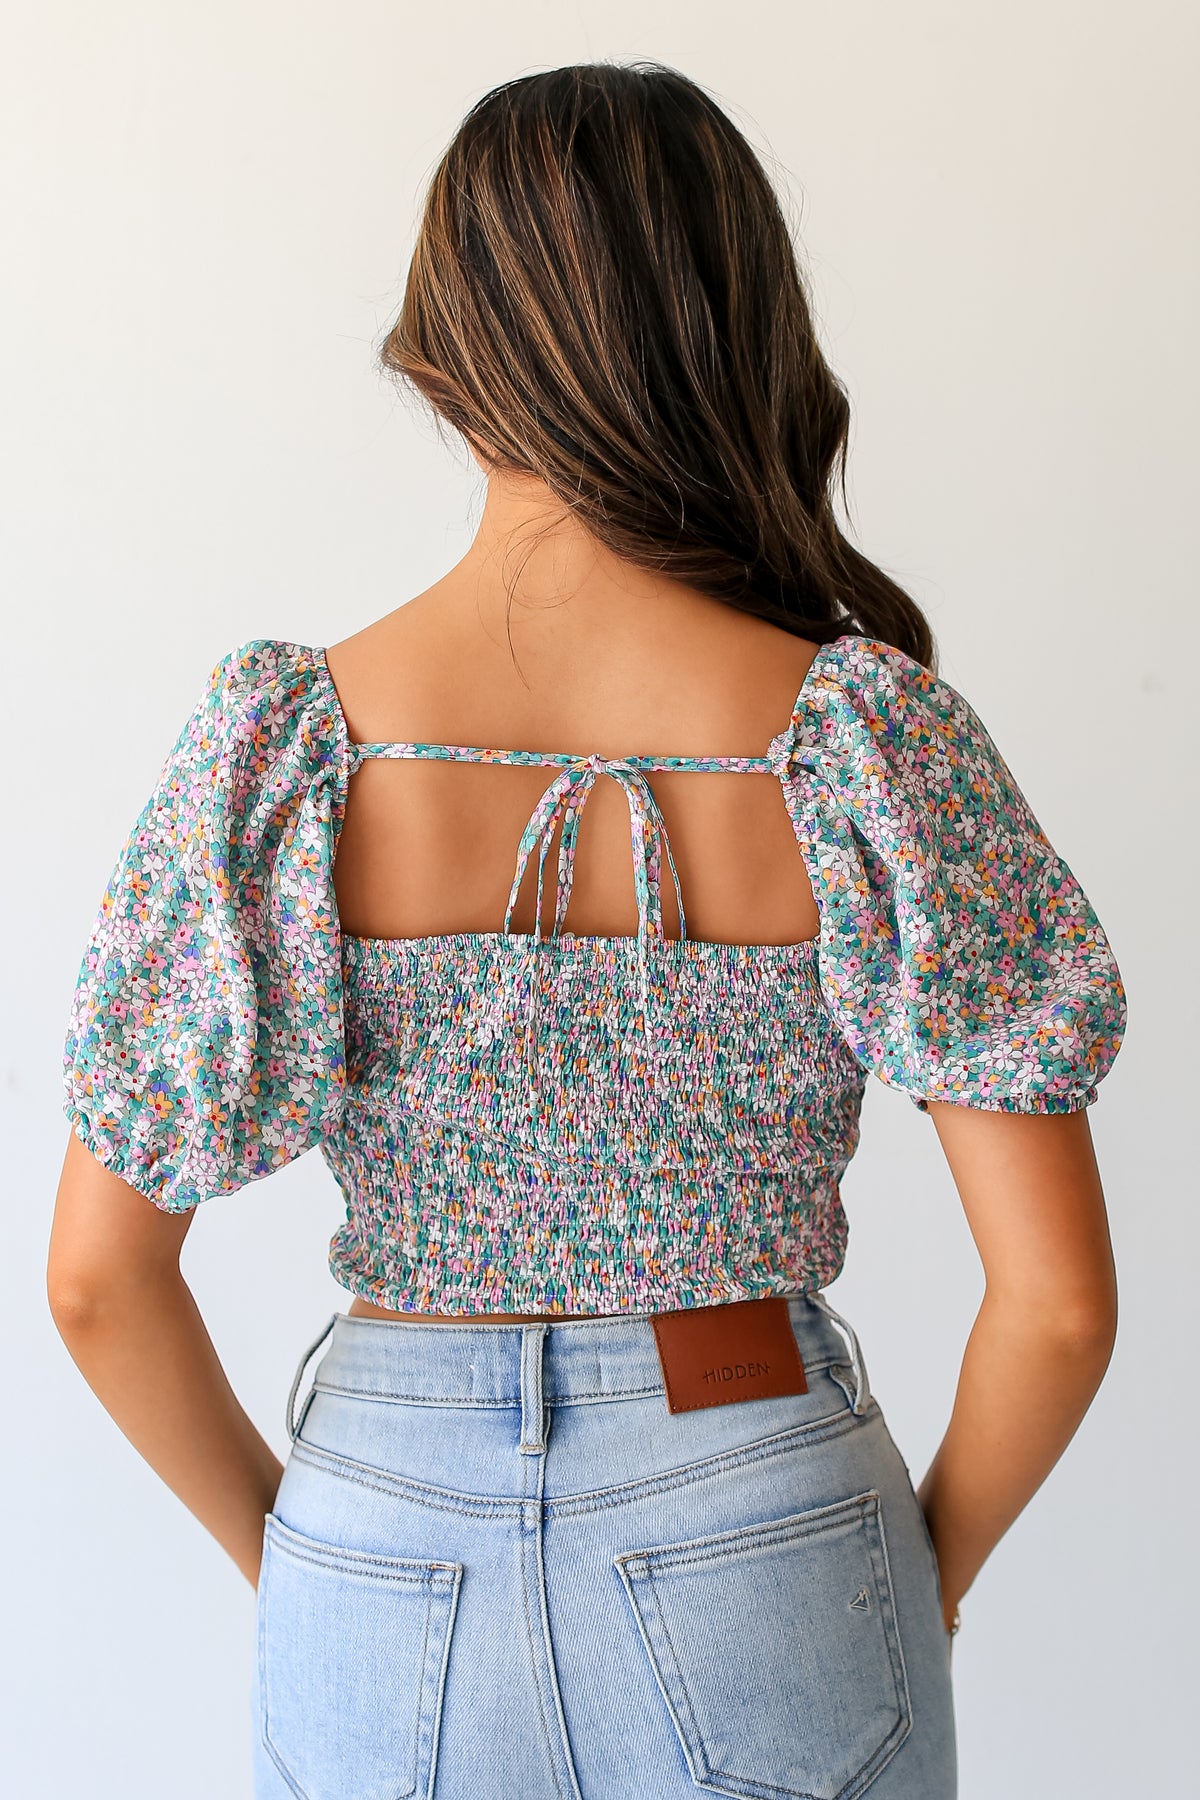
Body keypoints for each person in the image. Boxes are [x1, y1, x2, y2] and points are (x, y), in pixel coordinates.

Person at [47, 61, 1126, 1800]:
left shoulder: (288, 744)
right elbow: (1058, 1307)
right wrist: (901, 1584)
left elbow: (98, 1283)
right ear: (740, 338)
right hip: (759, 1483)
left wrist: (321, 1558)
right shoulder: (861, 739)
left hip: (381, 1518)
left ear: (442, 348)